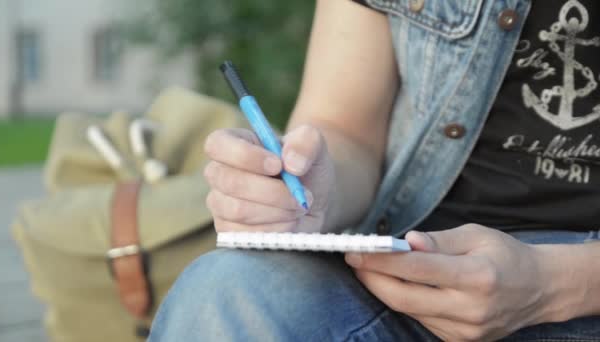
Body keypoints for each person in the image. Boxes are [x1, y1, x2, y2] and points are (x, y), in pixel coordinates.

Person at [149, 0, 600, 340]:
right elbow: (347, 128)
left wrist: (555, 284)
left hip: (582, 282)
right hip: (407, 267)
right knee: (224, 287)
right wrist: (313, 186)